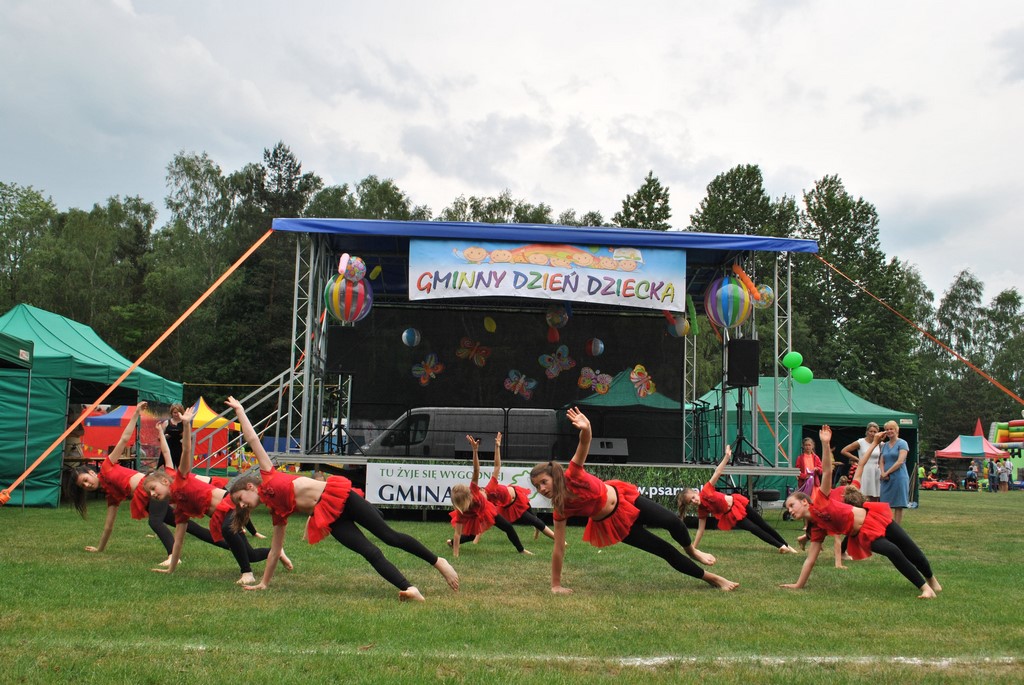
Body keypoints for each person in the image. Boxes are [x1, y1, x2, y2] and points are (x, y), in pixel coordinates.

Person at [224, 396, 459, 601]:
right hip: (330, 518)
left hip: (341, 497)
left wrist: (240, 411)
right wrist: (264, 583)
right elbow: (276, 551)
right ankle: (409, 588)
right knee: (369, 552)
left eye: (240, 499)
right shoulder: (277, 511)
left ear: (250, 486)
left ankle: (438, 562)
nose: (242, 505)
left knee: (390, 537)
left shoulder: (268, 474)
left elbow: (252, 439)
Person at [529, 406, 737, 594]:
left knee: (673, 522)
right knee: (665, 551)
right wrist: (555, 585)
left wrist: (587, 427)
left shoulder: (573, 474)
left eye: (544, 482)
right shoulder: (561, 509)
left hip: (627, 501)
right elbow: (559, 547)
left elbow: (584, 442)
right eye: (537, 486)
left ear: (555, 476)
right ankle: (713, 578)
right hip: (615, 523)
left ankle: (692, 550)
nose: (542, 489)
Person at [781, 425, 941, 599]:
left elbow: (828, 471)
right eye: (788, 508)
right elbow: (810, 560)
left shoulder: (822, 499)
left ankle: (932, 580)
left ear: (804, 501)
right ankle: (925, 588)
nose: (790, 510)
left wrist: (825, 444)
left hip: (875, 518)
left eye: (791, 505)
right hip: (864, 534)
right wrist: (798, 585)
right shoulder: (817, 528)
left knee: (910, 549)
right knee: (893, 551)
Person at [62, 402, 221, 566]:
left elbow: (124, 439)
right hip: (148, 496)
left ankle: (173, 556)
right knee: (189, 526)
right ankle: (230, 545)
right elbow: (109, 525)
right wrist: (99, 548)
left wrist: (136, 414)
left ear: (91, 473)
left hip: (151, 487)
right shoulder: (111, 493)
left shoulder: (107, 467)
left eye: (85, 480)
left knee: (155, 521)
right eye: (83, 486)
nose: (87, 485)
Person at [142, 405, 281, 585]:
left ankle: (247, 573)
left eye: (153, 489)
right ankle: (277, 552)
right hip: (220, 514)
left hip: (229, 503)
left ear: (164, 481)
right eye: (150, 493)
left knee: (227, 530)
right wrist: (171, 568)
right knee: (251, 555)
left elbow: (183, 450)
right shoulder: (181, 508)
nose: (152, 494)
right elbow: (178, 541)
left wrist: (186, 425)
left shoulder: (179, 478)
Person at [678, 444, 798, 554]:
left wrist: (727, 457)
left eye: (693, 497)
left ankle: (787, 545)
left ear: (696, 492)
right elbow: (700, 530)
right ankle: (780, 546)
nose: (694, 501)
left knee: (763, 524)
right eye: (690, 502)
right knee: (754, 529)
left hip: (738, 504)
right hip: (732, 515)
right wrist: (692, 548)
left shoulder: (706, 490)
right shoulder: (702, 510)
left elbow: (717, 472)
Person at [447, 433, 535, 557]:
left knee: (508, 527)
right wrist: (456, 555)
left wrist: (476, 450)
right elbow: (457, 533)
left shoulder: (477, 490)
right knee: (471, 535)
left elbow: (481, 469)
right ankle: (451, 543)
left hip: (487, 511)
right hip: (473, 516)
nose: (482, 491)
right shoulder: (462, 511)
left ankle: (521, 550)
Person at [483, 431, 558, 543]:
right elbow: (483, 521)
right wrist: (475, 540)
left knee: (534, 519)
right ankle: (558, 539)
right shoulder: (485, 503)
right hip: (511, 506)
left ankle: (554, 537)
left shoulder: (490, 486)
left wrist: (497, 447)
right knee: (535, 521)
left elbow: (497, 466)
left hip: (518, 496)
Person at [875, 421, 910, 524]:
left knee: (898, 505)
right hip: (885, 478)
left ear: (896, 430)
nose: (889, 431)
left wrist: (887, 473)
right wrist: (882, 472)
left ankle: (897, 527)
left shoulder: (902, 443)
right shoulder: (884, 445)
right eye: (887, 429)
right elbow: (881, 461)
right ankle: (886, 525)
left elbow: (900, 461)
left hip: (899, 477)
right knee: (885, 503)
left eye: (891, 429)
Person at [840, 422, 882, 502]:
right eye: (871, 431)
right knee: (863, 495)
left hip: (875, 471)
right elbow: (844, 451)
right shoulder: (861, 442)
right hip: (864, 470)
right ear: (867, 432)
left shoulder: (880, 444)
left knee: (875, 496)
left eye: (875, 432)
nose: (872, 433)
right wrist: (857, 459)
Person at [160, 403, 186, 470]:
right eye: (175, 412)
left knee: (181, 469)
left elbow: (189, 437)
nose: (176, 414)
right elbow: (159, 437)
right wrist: (165, 436)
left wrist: (183, 436)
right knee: (169, 468)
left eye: (178, 413)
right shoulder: (166, 423)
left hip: (180, 449)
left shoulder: (185, 423)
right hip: (168, 448)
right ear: (171, 413)